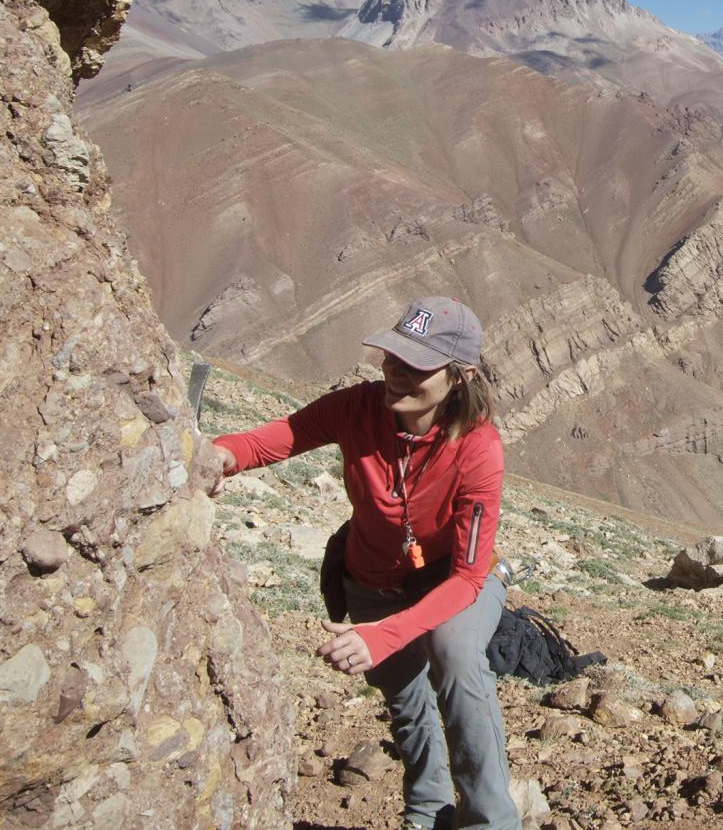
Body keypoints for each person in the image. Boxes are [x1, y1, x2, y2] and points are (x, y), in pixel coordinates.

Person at [212, 297, 520, 830]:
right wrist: (221, 454)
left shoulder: (478, 447)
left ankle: (491, 821)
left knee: (456, 657)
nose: (395, 374)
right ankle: (427, 813)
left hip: (450, 581)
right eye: (393, 357)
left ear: (460, 376)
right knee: (404, 698)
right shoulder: (357, 407)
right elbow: (285, 435)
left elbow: (470, 577)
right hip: (370, 579)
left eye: (416, 367)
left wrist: (384, 634)